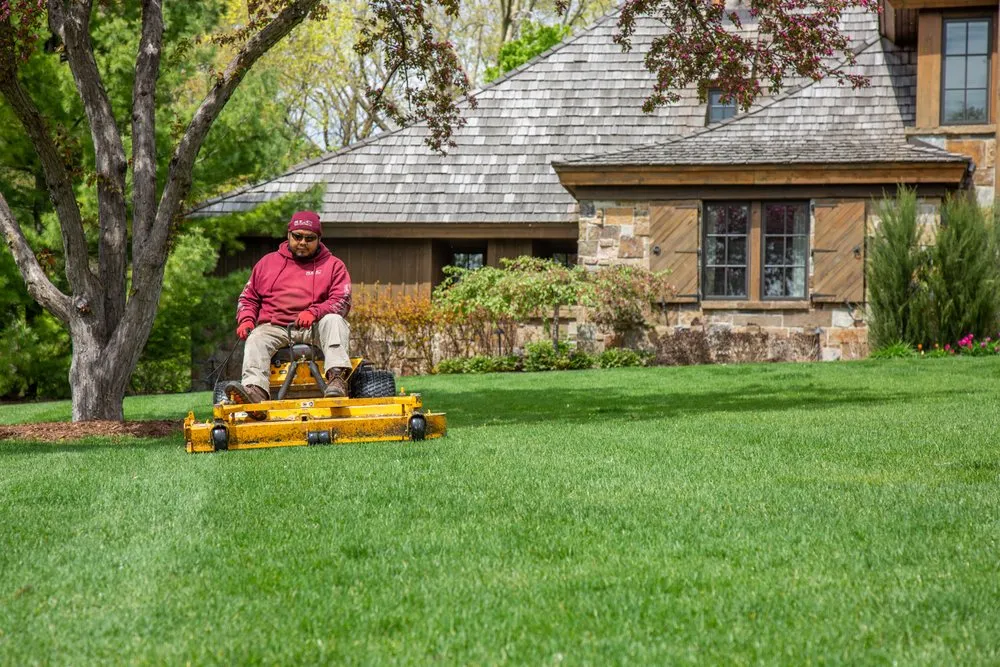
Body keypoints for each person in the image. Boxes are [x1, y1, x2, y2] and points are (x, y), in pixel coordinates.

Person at [225, 210, 352, 408]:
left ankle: (336, 379)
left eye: (309, 238)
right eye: (297, 236)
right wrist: (246, 319)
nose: (302, 242)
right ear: (289, 234)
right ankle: (255, 390)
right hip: (276, 327)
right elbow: (249, 297)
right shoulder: (267, 263)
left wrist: (314, 312)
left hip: (315, 326)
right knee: (257, 337)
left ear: (319, 239)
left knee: (334, 320)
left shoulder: (333, 265)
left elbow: (341, 300)